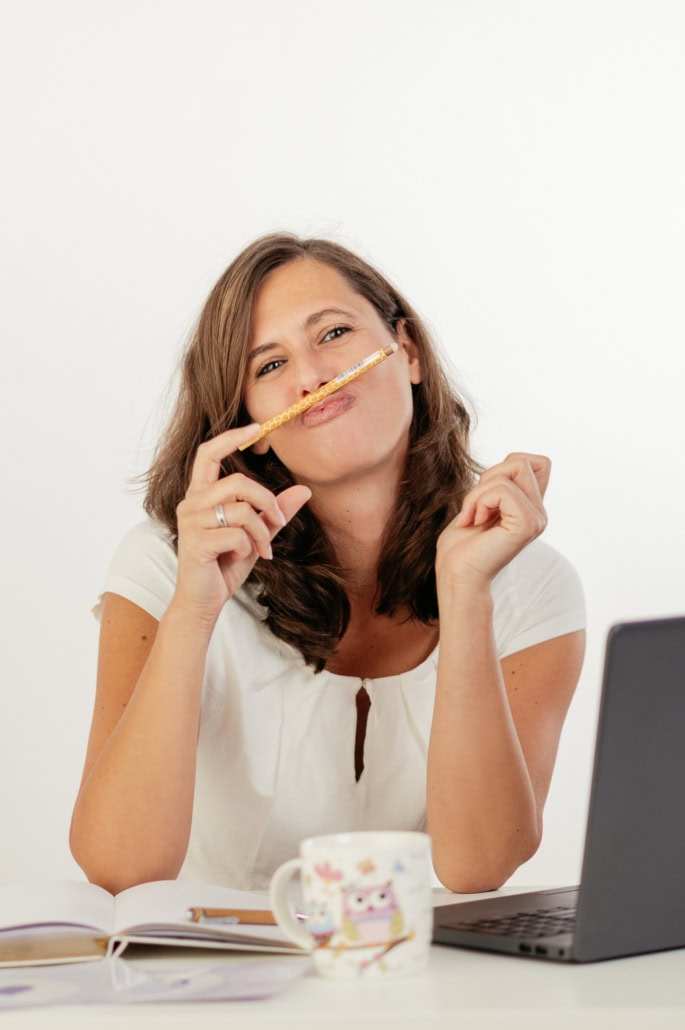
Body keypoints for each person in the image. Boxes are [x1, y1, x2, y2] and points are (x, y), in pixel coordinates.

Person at [70, 233, 586, 896]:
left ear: (408, 352)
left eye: (334, 332)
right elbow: (120, 869)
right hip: (214, 986)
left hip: (415, 982)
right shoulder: (166, 565)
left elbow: (477, 865)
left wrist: (464, 592)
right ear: (245, 418)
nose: (311, 378)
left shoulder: (529, 583)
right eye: (267, 366)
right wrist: (193, 612)